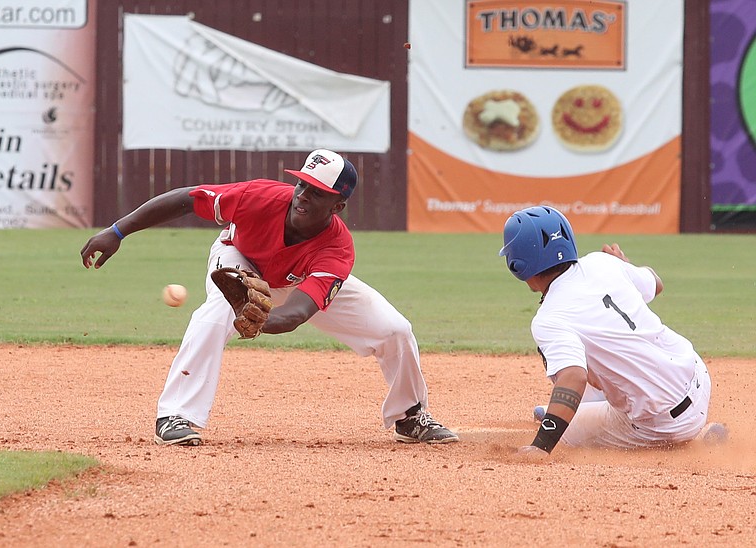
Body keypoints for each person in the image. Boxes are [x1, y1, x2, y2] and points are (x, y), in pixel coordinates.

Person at [80, 149, 458, 446]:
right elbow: (185, 199)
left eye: (318, 192)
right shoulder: (257, 197)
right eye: (303, 185)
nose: (304, 195)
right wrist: (117, 231)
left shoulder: (337, 249)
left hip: (300, 280)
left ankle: (409, 415)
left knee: (395, 329)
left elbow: (297, 312)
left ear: (338, 207)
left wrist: (259, 318)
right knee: (215, 315)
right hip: (238, 257)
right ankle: (175, 416)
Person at [497, 205, 727, 457]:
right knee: (597, 358)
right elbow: (656, 284)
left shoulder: (549, 318)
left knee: (565, 432)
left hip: (662, 423)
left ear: (517, 265)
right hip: (698, 375)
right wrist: (624, 266)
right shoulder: (602, 262)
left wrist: (541, 446)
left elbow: (573, 377)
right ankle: (583, 409)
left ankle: (695, 442)